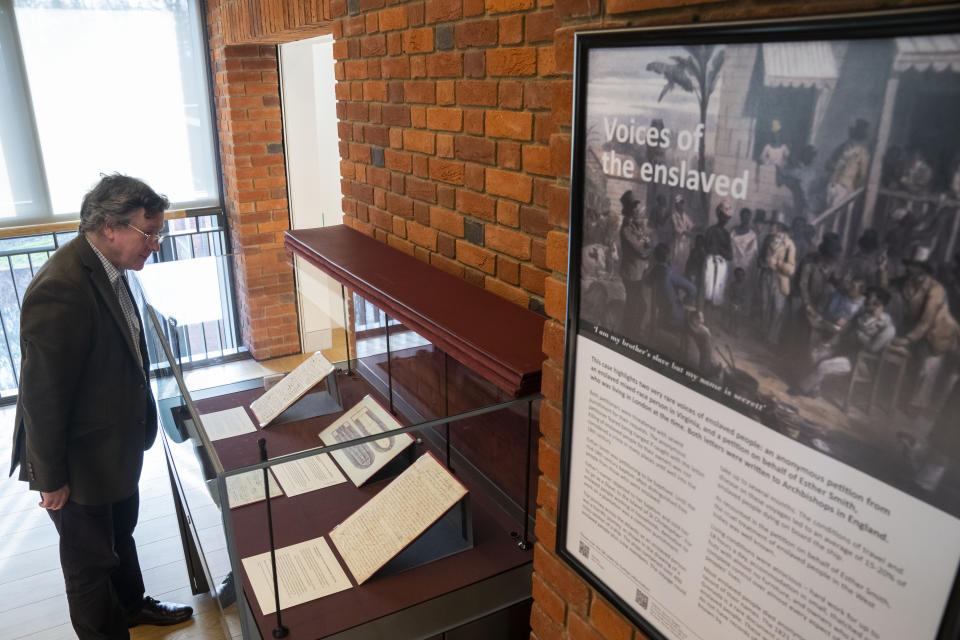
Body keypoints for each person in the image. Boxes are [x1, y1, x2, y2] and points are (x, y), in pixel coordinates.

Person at [8, 174, 193, 638]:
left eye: (159, 233)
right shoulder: (62, 288)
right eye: (148, 233)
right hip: (78, 459)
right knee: (88, 566)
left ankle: (131, 606)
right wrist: (50, 478)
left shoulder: (109, 268)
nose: (156, 244)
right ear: (110, 226)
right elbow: (42, 395)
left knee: (119, 536)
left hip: (112, 446)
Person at [791, 286, 896, 397]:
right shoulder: (861, 316)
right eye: (868, 302)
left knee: (824, 366)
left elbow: (873, 348)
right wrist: (829, 344)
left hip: (859, 362)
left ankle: (801, 388)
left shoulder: (887, 327)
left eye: (873, 303)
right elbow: (843, 333)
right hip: (844, 352)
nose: (868, 305)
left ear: (881, 305)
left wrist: (860, 336)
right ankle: (814, 389)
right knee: (816, 353)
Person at [891, 246, 960, 414]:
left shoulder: (936, 289)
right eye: (909, 264)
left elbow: (926, 321)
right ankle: (900, 399)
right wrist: (882, 271)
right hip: (919, 331)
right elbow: (888, 287)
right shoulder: (907, 282)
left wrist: (907, 339)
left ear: (922, 269)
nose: (908, 268)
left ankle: (916, 406)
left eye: (913, 265)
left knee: (926, 366)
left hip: (938, 333)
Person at [757, 211, 797, 345]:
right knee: (764, 305)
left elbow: (791, 268)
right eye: (771, 224)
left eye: (773, 225)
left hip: (780, 279)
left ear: (780, 227)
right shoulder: (768, 239)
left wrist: (779, 263)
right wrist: (764, 263)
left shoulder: (789, 244)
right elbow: (760, 257)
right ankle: (763, 333)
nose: (771, 227)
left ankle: (772, 338)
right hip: (767, 276)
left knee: (778, 309)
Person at [825, 118, 871, 209]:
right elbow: (828, 164)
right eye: (856, 130)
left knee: (837, 213)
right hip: (833, 185)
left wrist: (855, 189)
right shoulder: (842, 147)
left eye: (859, 130)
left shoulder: (862, 152)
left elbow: (863, 175)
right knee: (829, 210)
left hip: (845, 187)